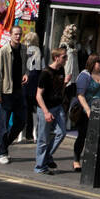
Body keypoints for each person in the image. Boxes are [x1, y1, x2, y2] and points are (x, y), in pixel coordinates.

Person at [71, 53, 100, 173]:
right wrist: (88, 110)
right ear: (92, 63)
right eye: (99, 62)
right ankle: (76, 160)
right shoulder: (85, 76)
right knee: (82, 135)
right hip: (86, 111)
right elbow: (80, 95)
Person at [0, 25, 27, 164]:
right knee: (4, 125)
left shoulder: (24, 49)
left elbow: (25, 67)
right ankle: (2, 153)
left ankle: (3, 143)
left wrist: (26, 74)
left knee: (21, 122)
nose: (18, 36)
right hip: (6, 92)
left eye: (20, 34)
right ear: (11, 35)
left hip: (19, 91)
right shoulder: (3, 52)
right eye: (15, 34)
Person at [34, 47, 68, 175]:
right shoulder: (45, 73)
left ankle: (46, 156)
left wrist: (65, 83)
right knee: (43, 138)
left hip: (58, 106)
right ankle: (39, 166)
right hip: (46, 108)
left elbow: (59, 88)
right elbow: (38, 95)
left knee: (62, 132)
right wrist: (46, 112)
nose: (66, 59)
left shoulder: (62, 70)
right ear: (56, 58)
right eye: (64, 57)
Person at [21, 31, 43, 144]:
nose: (27, 42)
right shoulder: (36, 52)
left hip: (29, 81)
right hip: (33, 81)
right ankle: (31, 133)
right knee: (32, 108)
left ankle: (26, 133)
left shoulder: (29, 51)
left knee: (27, 107)